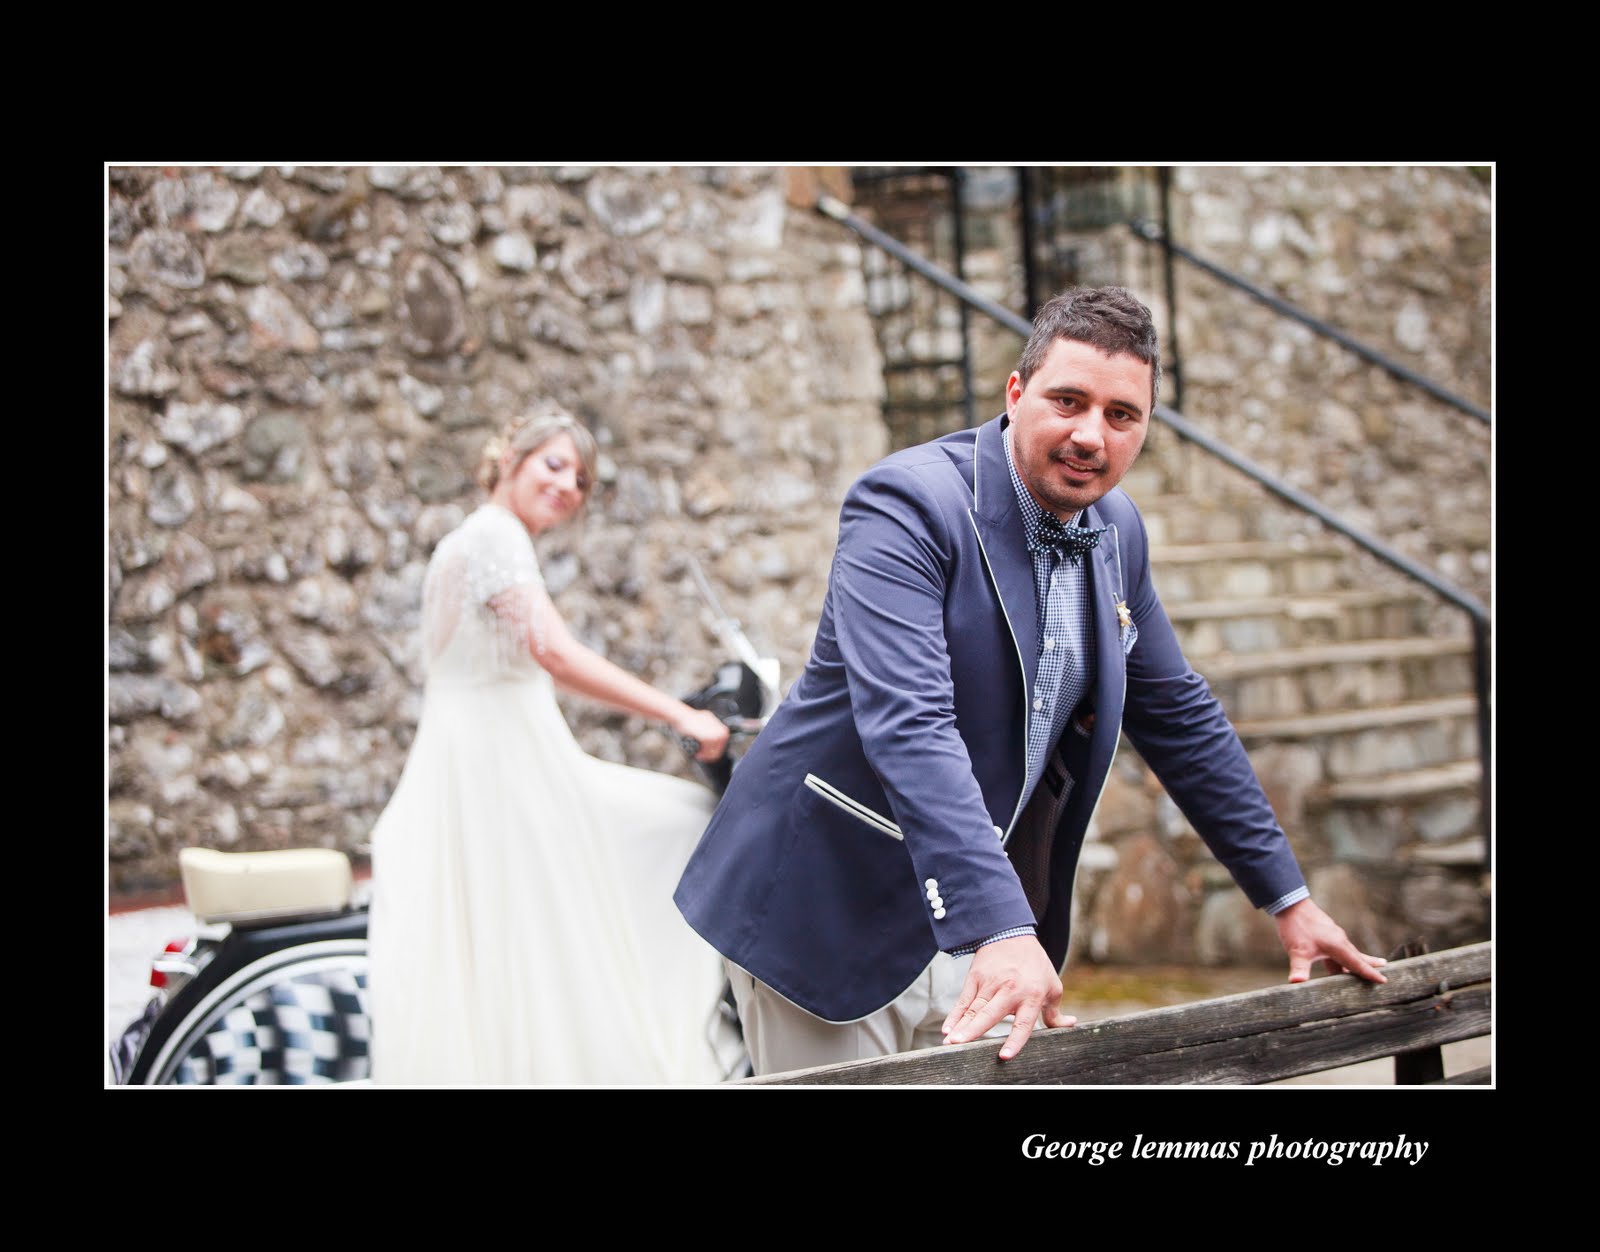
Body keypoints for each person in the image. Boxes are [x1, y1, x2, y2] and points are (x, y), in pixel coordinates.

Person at [674, 286, 1387, 1077]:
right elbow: (909, 724)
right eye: (1068, 401)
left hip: (982, 924)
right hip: (826, 901)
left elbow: (1179, 715)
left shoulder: (1117, 531)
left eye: (1122, 415)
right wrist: (1001, 926)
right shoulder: (906, 505)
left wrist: (1287, 899)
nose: (1091, 435)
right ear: (1016, 393)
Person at [368, 413, 734, 1085]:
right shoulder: (496, 535)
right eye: (555, 465)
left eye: (582, 479)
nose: (569, 486)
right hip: (506, 769)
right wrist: (680, 714)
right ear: (511, 457)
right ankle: (668, 1049)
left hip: (483, 761)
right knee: (691, 820)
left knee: (524, 941)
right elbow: (556, 653)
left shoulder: (471, 537)